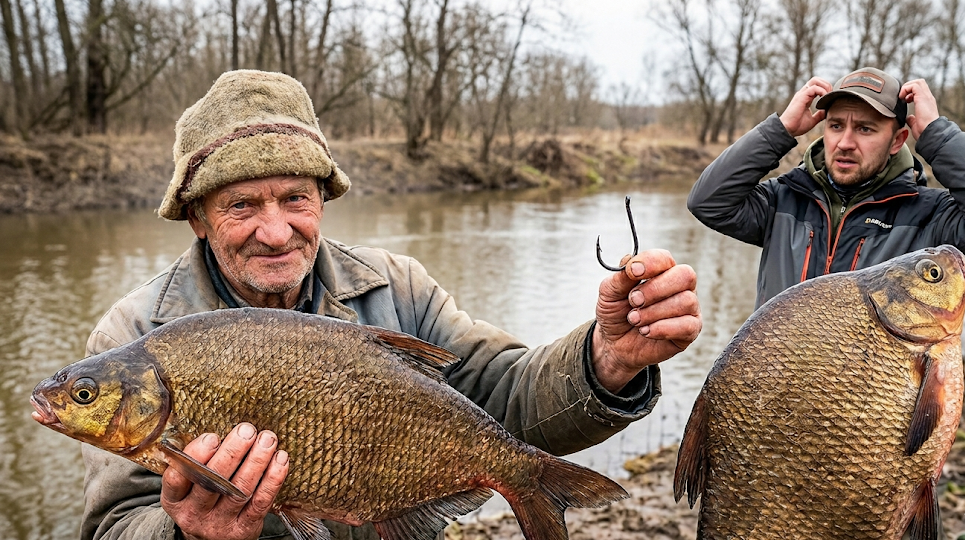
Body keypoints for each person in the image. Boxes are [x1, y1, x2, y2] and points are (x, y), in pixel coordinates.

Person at [79, 69, 702, 540]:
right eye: (241, 205)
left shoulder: (396, 287)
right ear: (196, 217)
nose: (275, 231)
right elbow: (112, 527)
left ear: (323, 197)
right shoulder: (133, 336)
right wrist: (185, 532)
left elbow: (503, 398)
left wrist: (607, 358)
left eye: (295, 198)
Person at [687, 67, 965, 309]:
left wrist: (939, 137)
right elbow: (708, 202)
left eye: (865, 129)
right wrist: (781, 130)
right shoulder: (784, 199)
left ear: (896, 141)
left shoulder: (933, 217)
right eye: (835, 125)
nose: (844, 142)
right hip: (780, 370)